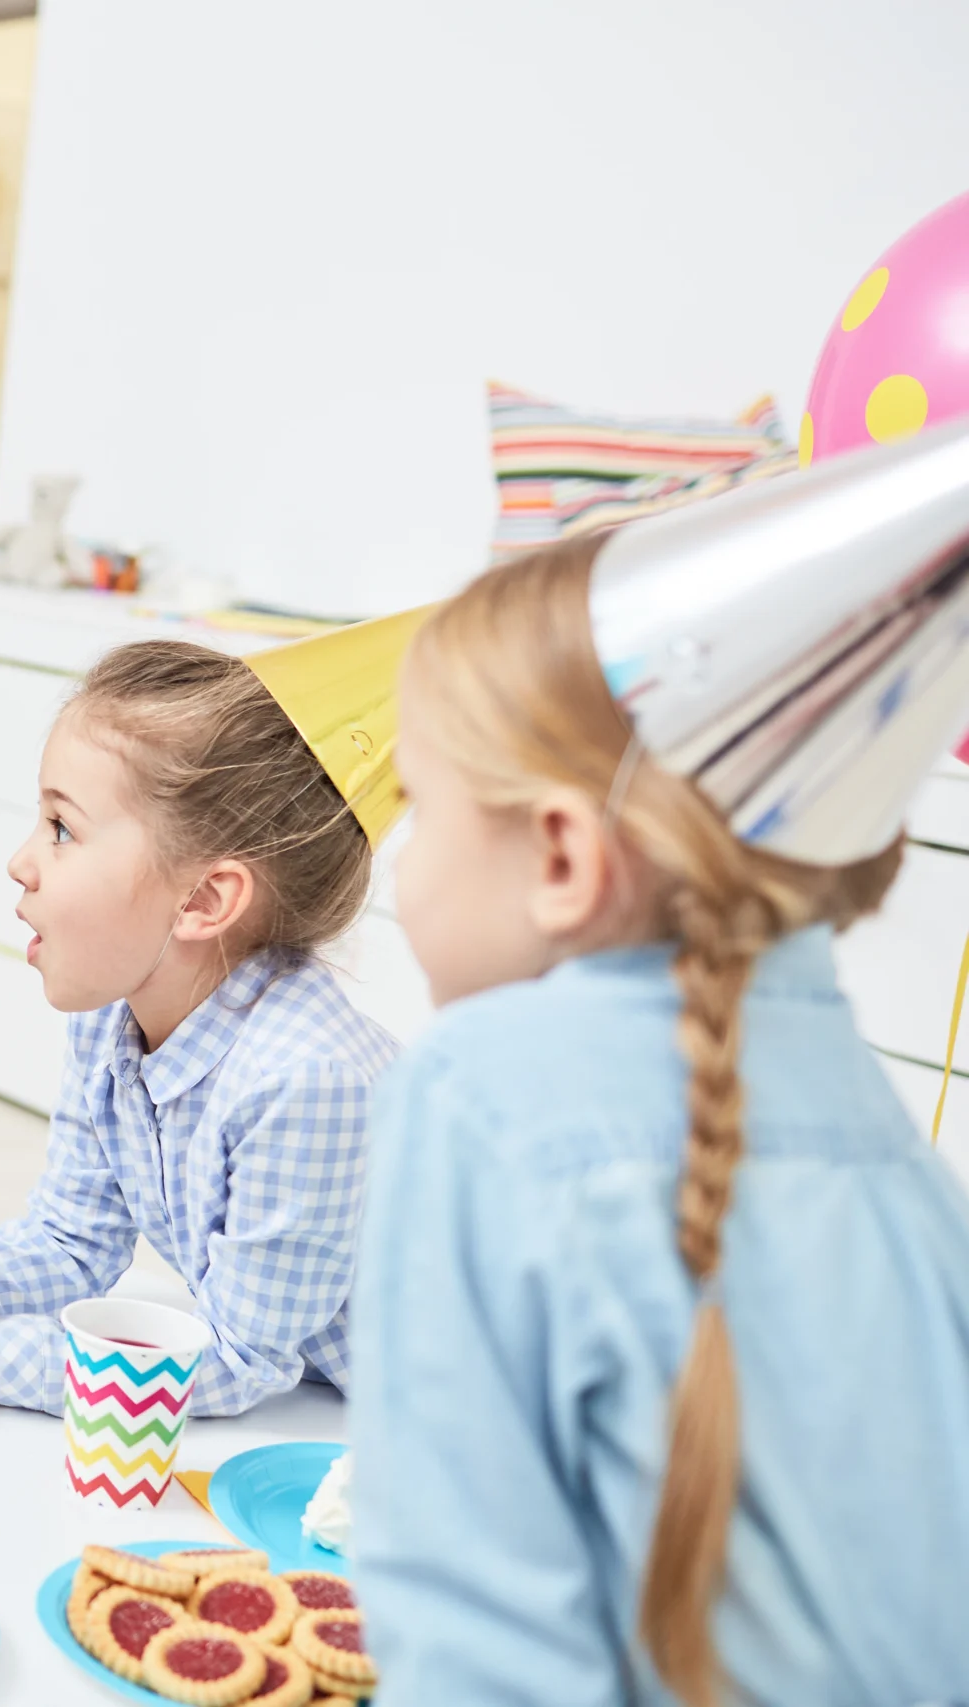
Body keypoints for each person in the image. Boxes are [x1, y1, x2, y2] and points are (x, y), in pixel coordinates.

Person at [350, 492, 969, 1700]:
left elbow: (477, 1653)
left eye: (417, 811)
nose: (402, 871)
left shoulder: (474, 1098)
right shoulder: (907, 1166)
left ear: (565, 860)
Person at [0, 636, 404, 1416]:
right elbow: (75, 1242)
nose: (20, 860)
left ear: (204, 901)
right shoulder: (114, 1018)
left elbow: (242, 1356)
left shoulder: (307, 1077)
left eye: (62, 828)